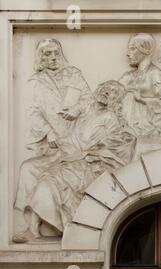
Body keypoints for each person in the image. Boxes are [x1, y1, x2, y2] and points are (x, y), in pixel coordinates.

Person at [13, 80, 136, 243]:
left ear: (116, 100)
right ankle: (23, 220)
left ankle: (34, 227)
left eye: (113, 91)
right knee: (28, 168)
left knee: (48, 180)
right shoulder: (88, 109)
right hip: (64, 155)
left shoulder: (109, 118)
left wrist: (80, 152)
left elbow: (101, 146)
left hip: (84, 163)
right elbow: (75, 112)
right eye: (105, 87)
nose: (106, 91)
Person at [14, 38, 92, 241]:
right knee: (28, 169)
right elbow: (33, 113)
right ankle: (30, 226)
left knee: (56, 178)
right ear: (40, 58)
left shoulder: (74, 74)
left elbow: (88, 100)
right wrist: (48, 132)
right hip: (52, 144)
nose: (52, 57)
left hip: (75, 142)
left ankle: (57, 224)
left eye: (55, 52)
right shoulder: (36, 82)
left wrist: (76, 111)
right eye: (47, 54)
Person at [119, 33, 161, 142]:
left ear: (145, 50)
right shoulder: (127, 76)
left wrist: (141, 99)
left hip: (146, 130)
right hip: (125, 129)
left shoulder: (154, 74)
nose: (128, 54)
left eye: (132, 49)